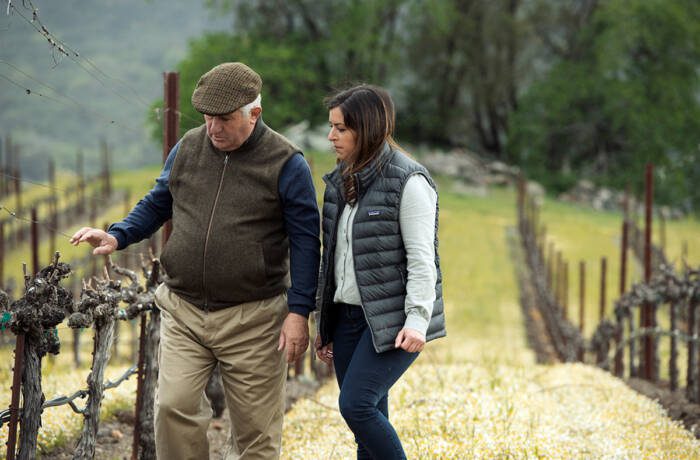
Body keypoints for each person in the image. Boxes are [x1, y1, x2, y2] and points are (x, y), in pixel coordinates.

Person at [70, 62, 320, 460]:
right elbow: (158, 202)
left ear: (254, 114)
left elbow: (308, 242)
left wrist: (299, 311)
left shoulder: (287, 163)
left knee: (256, 436)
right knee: (172, 408)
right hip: (184, 311)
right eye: (207, 119)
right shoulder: (188, 146)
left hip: (253, 319)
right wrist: (118, 234)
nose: (213, 129)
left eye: (224, 119)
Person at [314, 84, 446, 459]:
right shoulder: (340, 181)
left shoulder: (409, 181)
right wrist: (325, 326)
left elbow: (423, 259)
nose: (331, 136)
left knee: (355, 406)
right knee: (366, 426)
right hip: (347, 321)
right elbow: (333, 261)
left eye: (340, 128)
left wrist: (418, 319)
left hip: (391, 322)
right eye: (331, 126)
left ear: (366, 128)